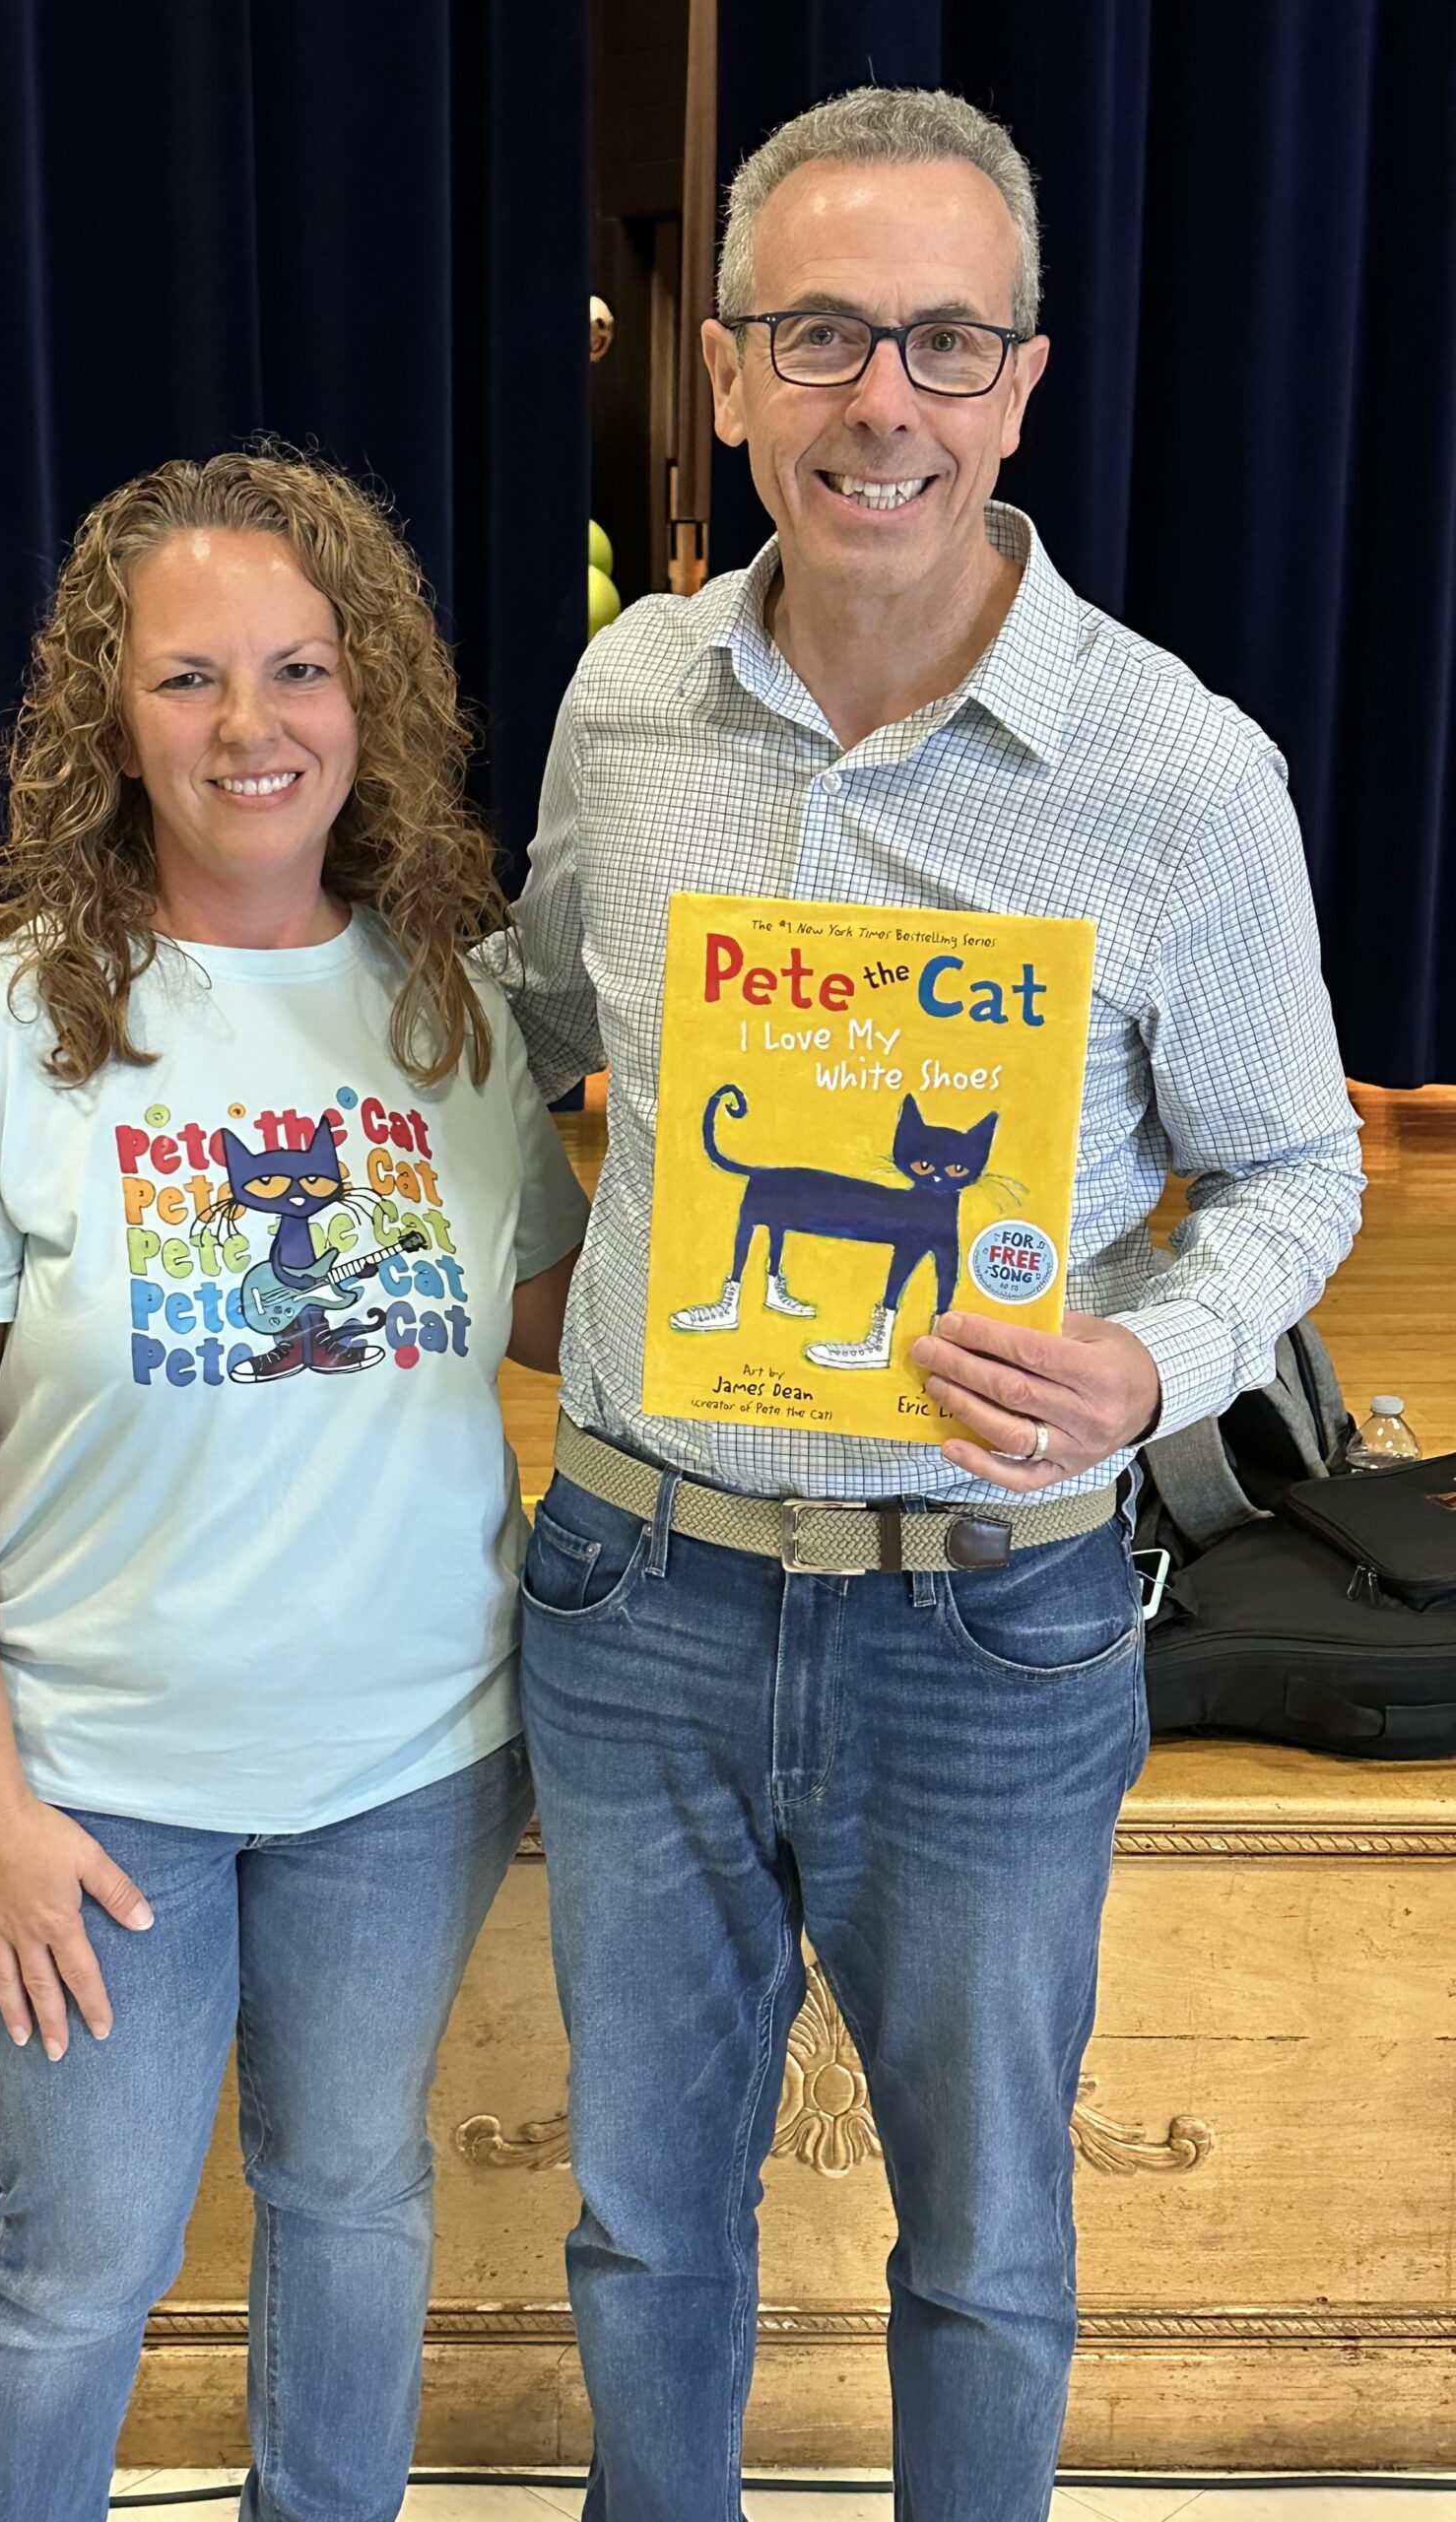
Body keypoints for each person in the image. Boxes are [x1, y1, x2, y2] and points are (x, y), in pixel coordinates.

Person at [502, 87, 1363, 2522]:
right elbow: (525, 1020)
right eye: (821, 334)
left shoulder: (1180, 772)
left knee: (984, 2248)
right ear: (726, 368)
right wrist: (536, 1266)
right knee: (642, 2225)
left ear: (1023, 381)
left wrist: (1147, 1361)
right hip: (636, 1589)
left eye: (944, 341)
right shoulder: (625, 702)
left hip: (992, 1618)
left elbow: (1300, 1166)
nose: (882, 398)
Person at [0, 449, 587, 2522]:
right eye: (187, 677)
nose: (251, 725)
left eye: (299, 668)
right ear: (111, 719)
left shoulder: (452, 1007)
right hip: (91, 1787)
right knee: (80, 2259)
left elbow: (550, 1307)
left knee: (350, 2192)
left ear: (372, 701)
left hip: (412, 1765)